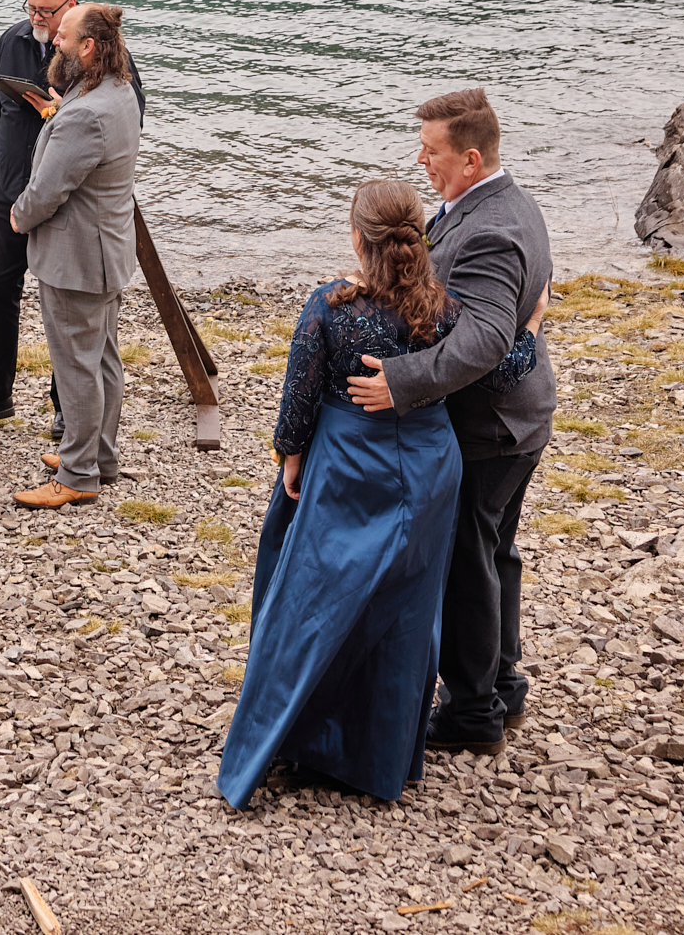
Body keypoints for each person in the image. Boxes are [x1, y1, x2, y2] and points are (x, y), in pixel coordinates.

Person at [218, 180, 547, 809]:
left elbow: (300, 397)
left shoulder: (328, 307)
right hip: (427, 466)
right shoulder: (444, 311)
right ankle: (380, 752)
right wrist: (529, 325)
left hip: (348, 463)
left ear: (356, 238)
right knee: (403, 609)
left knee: (315, 594)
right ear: (417, 240)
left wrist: (290, 456)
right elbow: (505, 365)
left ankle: (297, 731)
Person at [347, 88, 556, 754]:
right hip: (517, 418)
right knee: (494, 551)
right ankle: (501, 684)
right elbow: (524, 305)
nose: (420, 159)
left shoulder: (490, 228)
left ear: (469, 158)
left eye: (430, 151)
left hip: (489, 426)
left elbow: (483, 340)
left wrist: (400, 384)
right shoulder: (507, 202)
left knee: (469, 562)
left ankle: (471, 714)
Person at [0, 0, 146, 437]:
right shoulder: (12, 42)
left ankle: (68, 407)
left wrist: (66, 114)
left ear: (70, 5)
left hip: (62, 204)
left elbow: (128, 112)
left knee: (65, 311)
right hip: (11, 193)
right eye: (31, 9)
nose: (38, 20)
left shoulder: (100, 52)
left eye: (47, 12)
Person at [6, 4, 142, 510]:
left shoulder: (86, 113)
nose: (54, 43)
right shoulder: (117, 92)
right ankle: (98, 456)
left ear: (88, 47)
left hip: (76, 257)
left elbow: (47, 190)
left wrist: (18, 216)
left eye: (63, 36)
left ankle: (79, 473)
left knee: (76, 366)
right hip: (106, 250)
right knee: (102, 357)